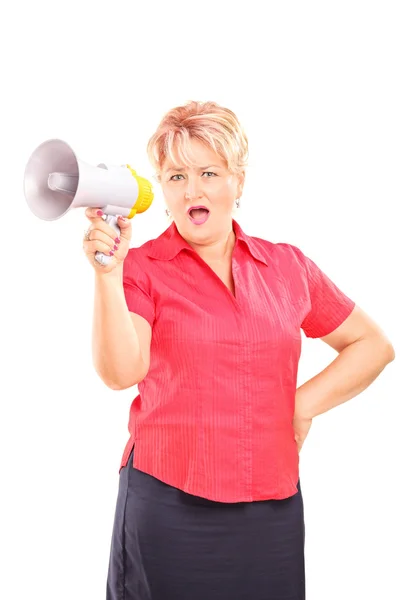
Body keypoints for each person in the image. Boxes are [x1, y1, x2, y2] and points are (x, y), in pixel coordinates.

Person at [82, 100, 395, 600]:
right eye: (177, 176)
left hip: (271, 512)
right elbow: (122, 373)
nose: (193, 190)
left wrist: (299, 406)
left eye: (209, 172)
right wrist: (107, 276)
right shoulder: (141, 267)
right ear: (161, 187)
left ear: (239, 180)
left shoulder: (287, 266)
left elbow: (372, 345)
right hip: (169, 504)